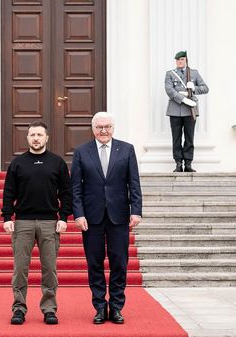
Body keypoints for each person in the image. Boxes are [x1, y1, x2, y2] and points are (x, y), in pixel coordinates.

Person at [71, 111, 142, 324]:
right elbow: (75, 187)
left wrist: (136, 210)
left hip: (119, 216)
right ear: (93, 129)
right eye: (100, 127)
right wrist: (78, 213)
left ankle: (117, 307)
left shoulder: (126, 149)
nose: (104, 131)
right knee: (94, 263)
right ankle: (100, 306)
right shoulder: (82, 152)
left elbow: (134, 183)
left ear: (113, 128)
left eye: (107, 127)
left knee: (119, 262)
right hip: (91, 218)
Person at [1, 121, 72, 326]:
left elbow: (66, 193)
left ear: (46, 138)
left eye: (40, 135)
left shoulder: (57, 163)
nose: (36, 138)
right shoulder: (17, 163)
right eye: (32, 135)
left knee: (49, 268)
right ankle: (19, 308)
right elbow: (8, 193)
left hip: (50, 223)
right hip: (22, 222)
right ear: (28, 138)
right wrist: (7, 218)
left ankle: (49, 308)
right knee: (20, 269)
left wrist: (64, 218)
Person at [165, 50, 209, 172]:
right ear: (176, 61)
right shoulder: (170, 74)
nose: (180, 61)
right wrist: (183, 99)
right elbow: (169, 90)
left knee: (189, 137)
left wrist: (194, 88)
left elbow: (205, 88)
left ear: (186, 60)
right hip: (175, 110)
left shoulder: (194, 73)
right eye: (178, 60)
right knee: (176, 138)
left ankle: (188, 163)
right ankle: (178, 163)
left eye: (182, 59)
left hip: (190, 111)